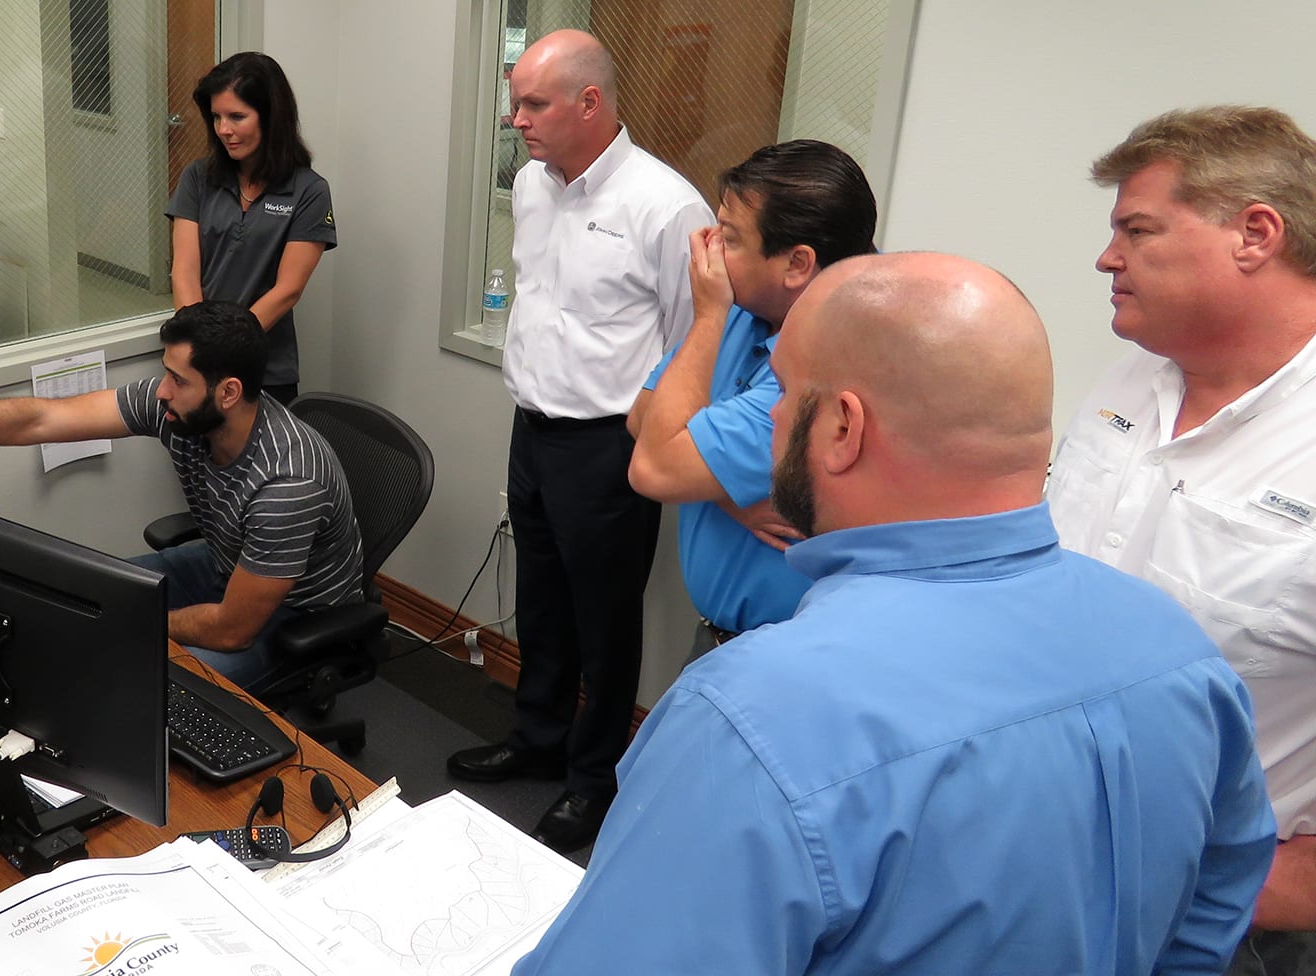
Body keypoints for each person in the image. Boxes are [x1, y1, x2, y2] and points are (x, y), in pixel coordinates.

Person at [515, 252, 1275, 974]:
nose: (770, 419)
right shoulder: (1182, 655)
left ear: (843, 429)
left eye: (781, 391)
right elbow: (1214, 907)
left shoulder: (753, 718)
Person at [1047, 105, 1316, 970]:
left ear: (1255, 235)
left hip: (1225, 926)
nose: (1107, 257)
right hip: (1047, 873)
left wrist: (1263, 891)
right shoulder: (1132, 380)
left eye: (1137, 229)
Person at [443, 28, 711, 854]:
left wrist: (648, 433)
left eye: (533, 103)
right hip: (532, 427)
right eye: (515, 101)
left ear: (590, 103)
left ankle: (595, 778)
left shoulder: (666, 206)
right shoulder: (530, 184)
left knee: (604, 619)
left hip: (608, 445)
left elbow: (692, 343)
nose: (515, 118)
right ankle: (538, 737)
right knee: (542, 601)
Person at [0, 301, 363, 688]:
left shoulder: (287, 484)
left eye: (178, 380)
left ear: (229, 392)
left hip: (289, 616)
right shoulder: (177, 408)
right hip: (222, 564)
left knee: (149, 686)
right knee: (71, 602)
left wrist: (125, 624)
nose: (161, 391)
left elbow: (233, 630)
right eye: (165, 374)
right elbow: (39, 420)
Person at [624, 140, 877, 653]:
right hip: (720, 636)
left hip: (779, 652)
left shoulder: (823, 370)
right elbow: (641, 419)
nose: (709, 248)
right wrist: (726, 493)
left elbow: (652, 468)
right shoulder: (748, 308)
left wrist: (708, 316)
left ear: (797, 263)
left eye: (731, 238)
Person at [167, 52, 336, 405]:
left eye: (237, 116)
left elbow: (288, 290)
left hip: (266, 369)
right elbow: (184, 270)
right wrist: (198, 347)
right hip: (196, 365)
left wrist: (224, 349)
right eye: (216, 117)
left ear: (271, 116)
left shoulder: (309, 191)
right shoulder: (197, 178)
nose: (223, 129)